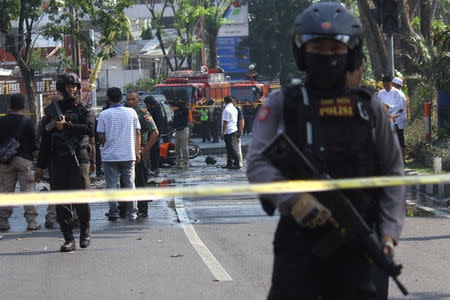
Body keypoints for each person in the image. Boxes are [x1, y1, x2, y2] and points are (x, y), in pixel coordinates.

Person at [246, 3, 405, 299]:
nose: (328, 56)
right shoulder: (282, 103)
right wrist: (293, 199)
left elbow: (393, 173)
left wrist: (388, 235)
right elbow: (256, 162)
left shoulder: (368, 107)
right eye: (318, 48)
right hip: (297, 244)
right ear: (302, 53)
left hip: (356, 247)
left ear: (352, 55)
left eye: (336, 49)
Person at [35, 73, 95, 252]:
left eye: (74, 86)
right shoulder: (51, 112)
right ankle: (68, 238)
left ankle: (85, 231)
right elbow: (45, 140)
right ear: (61, 88)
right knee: (60, 201)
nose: (72, 89)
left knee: (81, 197)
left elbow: (90, 128)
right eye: (68, 86)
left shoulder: (84, 108)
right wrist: (40, 166)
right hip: (58, 160)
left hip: (79, 158)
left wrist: (65, 126)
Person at [96, 87, 141, 222]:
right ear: (122, 98)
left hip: (110, 156)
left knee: (111, 185)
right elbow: (138, 133)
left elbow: (101, 136)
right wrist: (137, 151)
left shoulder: (103, 114)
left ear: (108, 99)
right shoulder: (131, 112)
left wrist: (107, 145)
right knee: (129, 184)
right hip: (128, 155)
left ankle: (114, 212)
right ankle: (132, 213)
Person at [0, 94, 41, 231]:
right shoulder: (28, 122)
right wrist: (40, 165)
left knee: (5, 191)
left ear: (10, 106)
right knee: (28, 190)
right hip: (25, 161)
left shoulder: (1, 121)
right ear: (24, 106)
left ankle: (3, 221)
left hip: (6, 161)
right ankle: (31, 221)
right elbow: (35, 145)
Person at [125, 91, 158, 218]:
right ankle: (124, 208)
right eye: (128, 99)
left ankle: (143, 208)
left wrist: (144, 151)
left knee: (140, 181)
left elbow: (154, 132)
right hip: (126, 152)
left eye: (133, 99)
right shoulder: (125, 111)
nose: (130, 102)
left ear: (138, 100)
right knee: (125, 182)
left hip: (140, 152)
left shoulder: (142, 112)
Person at [144, 96, 164, 175]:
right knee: (154, 151)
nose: (146, 106)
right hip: (155, 133)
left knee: (154, 151)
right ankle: (154, 168)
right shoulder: (157, 109)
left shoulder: (154, 111)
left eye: (146, 104)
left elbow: (151, 123)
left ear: (149, 104)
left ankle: (154, 168)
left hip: (153, 133)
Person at [221, 96, 239, 169]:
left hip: (228, 131)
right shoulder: (234, 108)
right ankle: (229, 163)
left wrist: (223, 132)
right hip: (234, 129)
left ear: (225, 101)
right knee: (229, 148)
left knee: (231, 148)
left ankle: (236, 163)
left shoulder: (227, 109)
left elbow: (225, 122)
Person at [392, 77, 407, 159]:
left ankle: (401, 157)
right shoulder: (398, 93)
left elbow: (400, 108)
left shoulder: (399, 94)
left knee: (399, 139)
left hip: (398, 120)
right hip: (398, 120)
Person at [173, 99, 190, 170]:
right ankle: (179, 162)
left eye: (181, 103)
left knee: (184, 147)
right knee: (177, 148)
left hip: (183, 130)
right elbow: (175, 120)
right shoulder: (176, 111)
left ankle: (185, 163)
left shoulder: (185, 110)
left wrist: (173, 102)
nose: (180, 105)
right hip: (177, 130)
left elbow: (181, 107)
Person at [231, 97, 245, 168]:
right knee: (233, 147)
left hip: (237, 130)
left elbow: (242, 120)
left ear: (235, 102)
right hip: (232, 131)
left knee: (237, 147)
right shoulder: (231, 110)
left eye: (232, 102)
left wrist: (240, 131)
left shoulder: (238, 110)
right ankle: (234, 162)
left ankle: (239, 162)